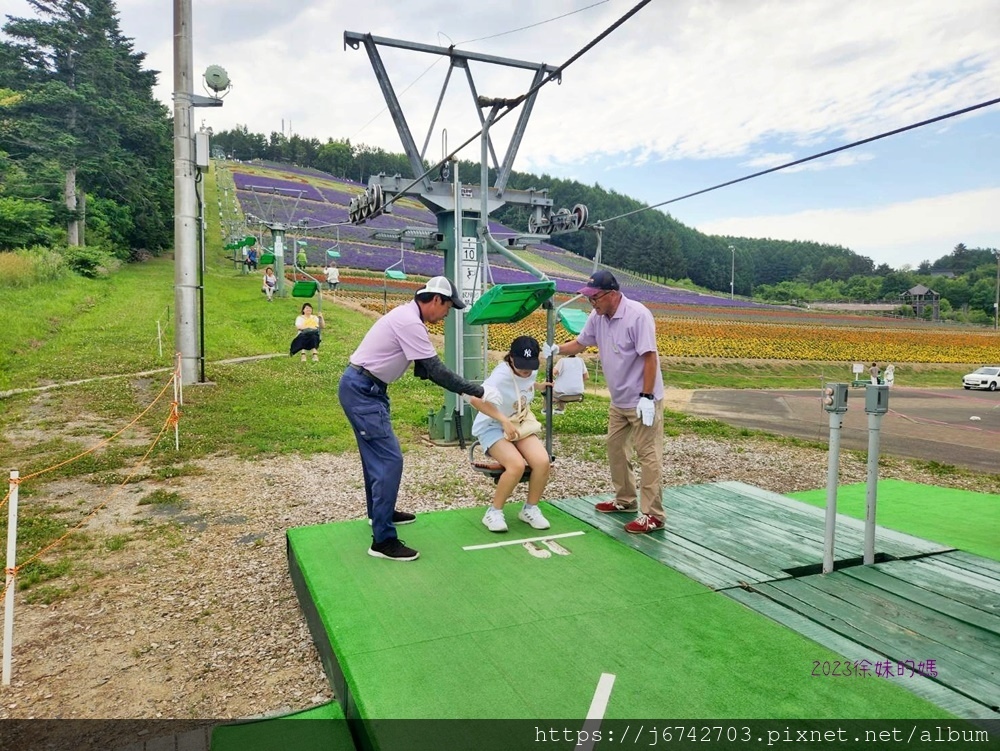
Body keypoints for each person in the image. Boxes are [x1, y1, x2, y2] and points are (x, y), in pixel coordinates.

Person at [338, 276, 492, 562]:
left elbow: (423, 367)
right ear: (436, 300)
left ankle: (379, 515)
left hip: (365, 387)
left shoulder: (408, 316)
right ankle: (383, 541)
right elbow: (436, 371)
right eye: (448, 308)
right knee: (389, 460)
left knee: (375, 457)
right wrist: (478, 389)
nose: (447, 314)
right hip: (363, 391)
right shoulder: (410, 322)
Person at [542, 270, 666, 535]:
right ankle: (625, 500)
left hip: (643, 399)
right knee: (615, 448)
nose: (592, 303)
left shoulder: (638, 315)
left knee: (648, 455)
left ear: (611, 295)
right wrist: (557, 349)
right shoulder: (597, 317)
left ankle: (653, 515)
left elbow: (650, 358)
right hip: (619, 400)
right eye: (589, 299)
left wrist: (647, 397)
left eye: (594, 297)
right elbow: (581, 343)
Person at [471, 336, 551, 533]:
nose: (526, 370)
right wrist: (503, 420)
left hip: (518, 422)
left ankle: (530, 509)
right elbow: (474, 399)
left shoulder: (531, 369)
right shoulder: (500, 376)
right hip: (492, 425)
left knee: (542, 461)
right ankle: (494, 512)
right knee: (515, 465)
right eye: (522, 365)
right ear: (511, 358)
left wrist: (539, 386)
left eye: (530, 365)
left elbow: (524, 386)